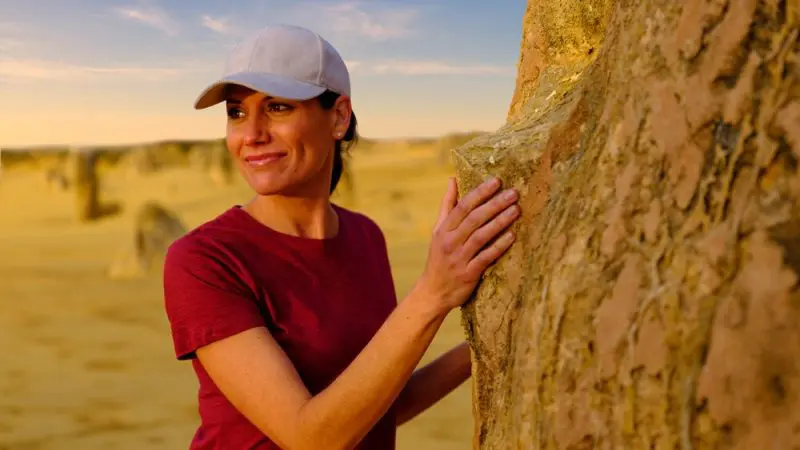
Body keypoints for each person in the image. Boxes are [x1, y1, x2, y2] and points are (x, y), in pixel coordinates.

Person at [162, 24, 521, 450]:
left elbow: (376, 406)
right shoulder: (205, 260)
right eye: (237, 112)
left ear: (338, 116)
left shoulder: (365, 237)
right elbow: (311, 437)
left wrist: (503, 331)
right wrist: (433, 293)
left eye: (277, 108)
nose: (251, 134)